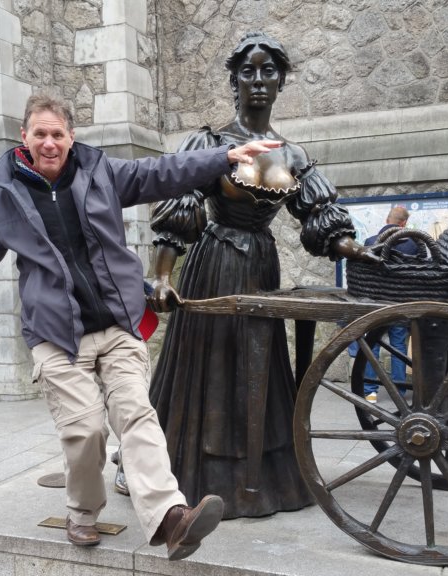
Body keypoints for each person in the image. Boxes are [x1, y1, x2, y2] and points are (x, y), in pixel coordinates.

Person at [0, 94, 282, 561]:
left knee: (136, 414)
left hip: (116, 325)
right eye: (40, 134)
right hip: (57, 337)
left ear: (71, 137)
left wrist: (224, 157)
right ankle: (82, 511)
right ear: (25, 137)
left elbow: (162, 172)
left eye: (57, 134)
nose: (49, 143)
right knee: (86, 430)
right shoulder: (1, 199)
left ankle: (171, 518)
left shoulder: (101, 173)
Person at [146, 32, 368, 520]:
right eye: (249, 71)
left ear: (281, 81)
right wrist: (161, 275)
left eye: (269, 71)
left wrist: (352, 246)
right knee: (210, 365)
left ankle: (265, 478)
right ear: (235, 82)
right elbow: (179, 209)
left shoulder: (292, 154)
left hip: (262, 264)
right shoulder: (210, 143)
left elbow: (320, 217)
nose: (259, 80)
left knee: (259, 365)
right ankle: (194, 473)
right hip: (215, 265)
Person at [356, 206, 417, 403]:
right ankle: (398, 391)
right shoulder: (412, 244)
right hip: (399, 303)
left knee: (372, 345)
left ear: (386, 219)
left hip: (374, 303)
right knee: (398, 346)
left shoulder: (370, 242)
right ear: (404, 224)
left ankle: (370, 391)